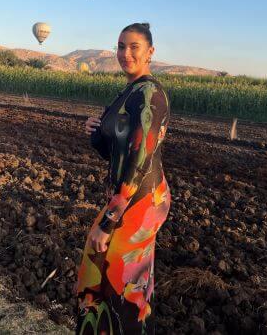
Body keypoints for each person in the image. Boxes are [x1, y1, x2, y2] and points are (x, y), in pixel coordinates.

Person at [76, 22, 171, 335]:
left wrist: (109, 222)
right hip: (126, 196)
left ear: (150, 52)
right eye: (120, 46)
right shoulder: (128, 92)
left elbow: (138, 162)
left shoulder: (151, 94)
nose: (125, 53)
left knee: (121, 283)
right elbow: (116, 155)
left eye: (134, 47)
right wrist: (97, 135)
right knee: (99, 268)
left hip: (142, 199)